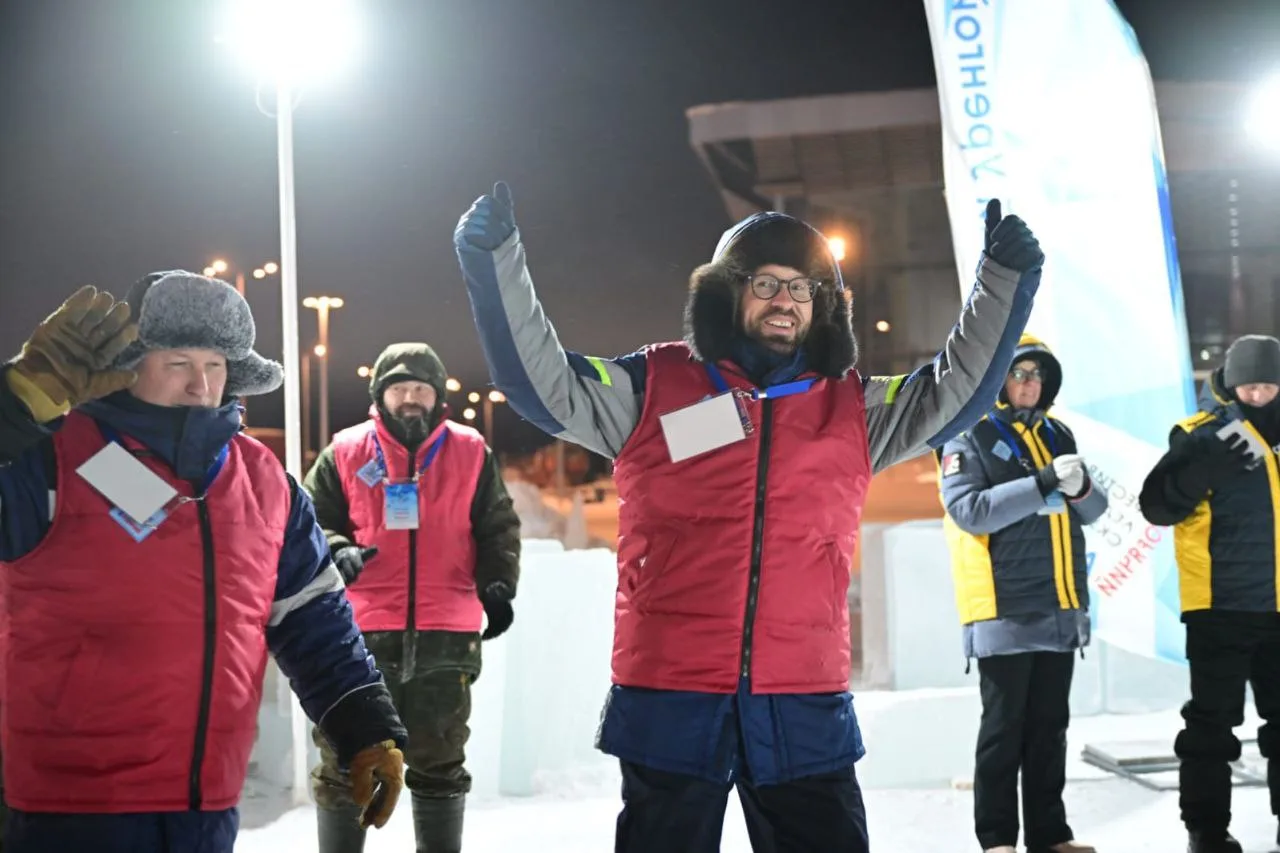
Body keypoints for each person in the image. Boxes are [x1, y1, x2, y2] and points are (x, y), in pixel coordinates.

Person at [453, 180, 1045, 852]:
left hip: (802, 693)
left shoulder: (853, 407)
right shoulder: (653, 387)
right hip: (671, 690)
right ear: (727, 293)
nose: (784, 300)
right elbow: (544, 384)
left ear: (823, 305)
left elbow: (955, 391)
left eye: (802, 288)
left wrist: (1003, 280)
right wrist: (496, 261)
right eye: (765, 283)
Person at [0, 275, 408, 853]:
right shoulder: (51, 458)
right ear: (128, 366)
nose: (200, 384)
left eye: (215, 365)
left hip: (206, 806)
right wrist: (11, 409)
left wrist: (364, 724)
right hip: (66, 809)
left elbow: (314, 617)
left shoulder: (263, 480)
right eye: (178, 363)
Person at [303, 342, 521, 853]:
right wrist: (337, 549)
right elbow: (311, 521)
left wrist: (498, 583)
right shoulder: (346, 451)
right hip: (358, 636)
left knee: (440, 764)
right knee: (344, 761)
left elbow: (498, 526)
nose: (409, 398)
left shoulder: (470, 449)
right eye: (398, 388)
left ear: (437, 396)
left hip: (448, 637)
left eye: (420, 388)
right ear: (380, 395)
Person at [937, 335, 1107, 853]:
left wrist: (1080, 489)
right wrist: (1043, 482)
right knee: (1002, 731)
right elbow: (969, 511)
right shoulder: (969, 434)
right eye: (1019, 373)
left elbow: (1094, 510)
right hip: (1003, 608)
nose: (1030, 383)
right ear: (1000, 379)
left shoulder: (1058, 433)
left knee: (1050, 730)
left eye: (1038, 375)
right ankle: (997, 840)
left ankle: (1050, 835)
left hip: (1059, 606)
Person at [1139, 334, 1280, 853]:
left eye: (1268, 386)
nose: (1258, 395)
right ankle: (1207, 832)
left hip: (1279, 609)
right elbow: (1156, 506)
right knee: (1211, 726)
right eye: (1249, 386)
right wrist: (1204, 469)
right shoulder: (1200, 435)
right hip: (1219, 608)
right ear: (1230, 382)